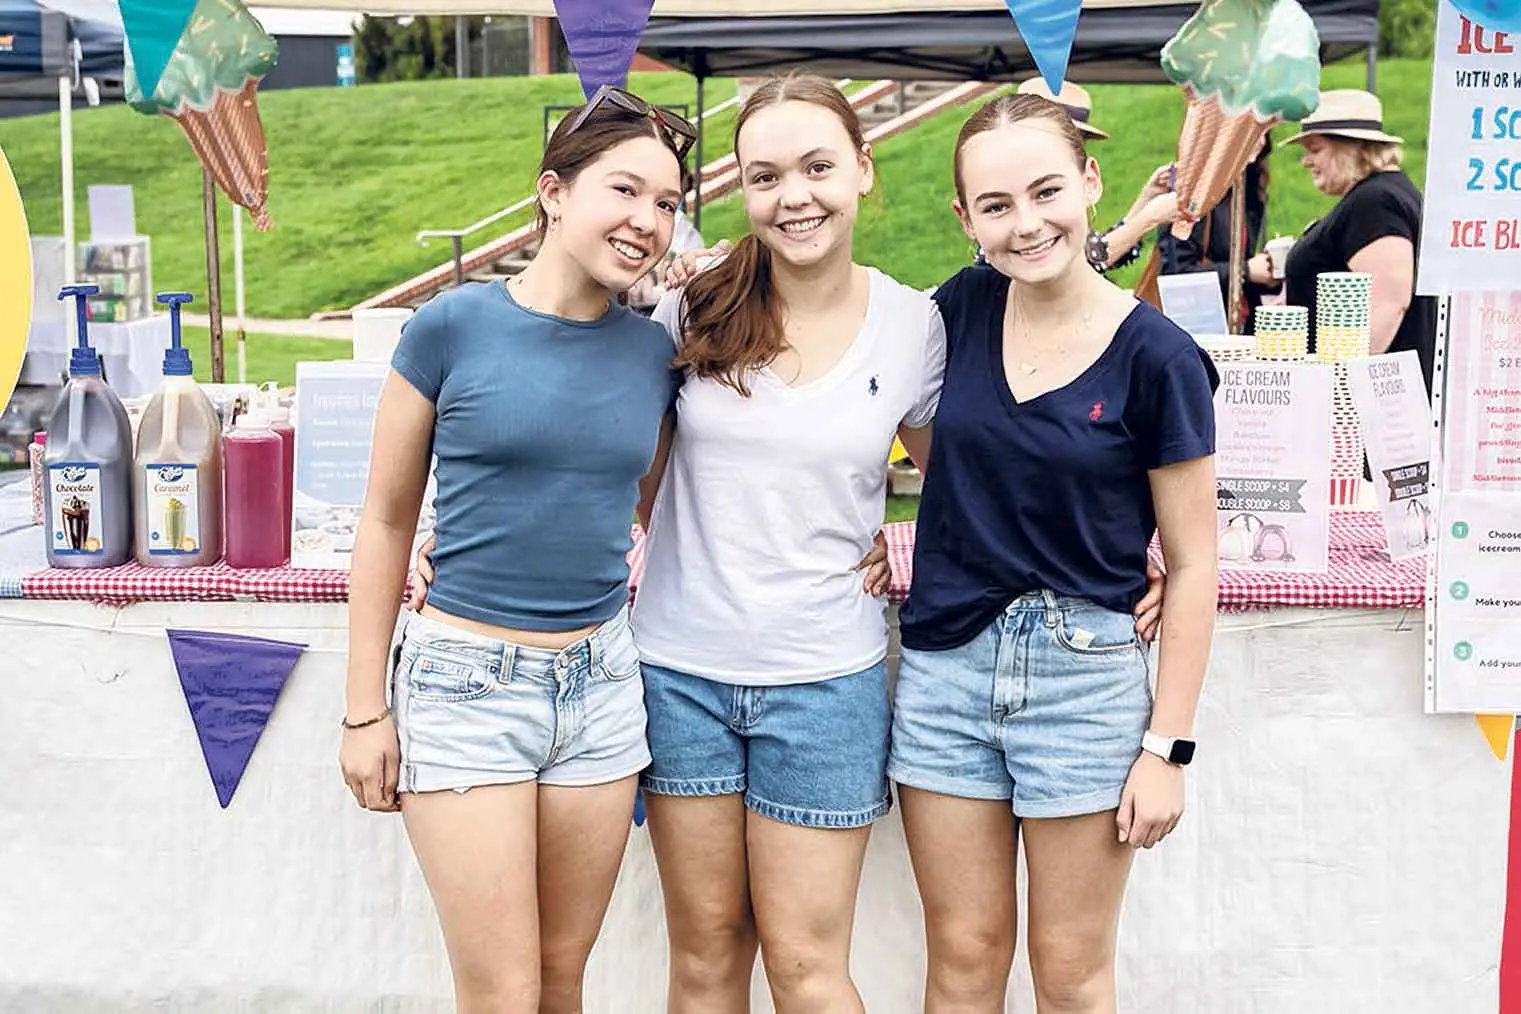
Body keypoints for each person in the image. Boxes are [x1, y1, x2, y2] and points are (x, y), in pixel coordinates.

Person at [338, 86, 695, 1013]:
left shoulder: (652, 354)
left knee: (561, 980)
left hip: (602, 689)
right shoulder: (449, 327)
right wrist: (362, 711)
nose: (647, 221)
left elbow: (650, 505)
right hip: (465, 686)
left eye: (666, 203)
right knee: (499, 990)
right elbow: (384, 520)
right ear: (551, 192)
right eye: (625, 191)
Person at [889, 91, 1218, 1012]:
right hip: (946, 673)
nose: (1025, 224)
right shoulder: (955, 311)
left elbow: (1194, 562)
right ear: (964, 219)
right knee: (960, 959)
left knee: (1070, 973)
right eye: (995, 206)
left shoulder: (1159, 358)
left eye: (1045, 193)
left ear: (1090, 181)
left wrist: (1168, 749)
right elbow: (929, 446)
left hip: (1083, 689)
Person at [1249, 89, 1436, 393]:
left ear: (1352, 148)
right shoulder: (1383, 195)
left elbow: (1388, 305)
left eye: (1315, 149)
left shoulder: (1374, 202)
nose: (1306, 161)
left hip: (1367, 404)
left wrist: (1342, 393)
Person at [1006, 78, 1181, 273]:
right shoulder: (1021, 185)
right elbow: (1085, 263)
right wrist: (1149, 218)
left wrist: (1147, 198)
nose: (1078, 148)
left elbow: (1094, 249)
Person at [1156, 132, 1273, 331]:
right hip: (1198, 332)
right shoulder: (1194, 195)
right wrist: (1246, 271)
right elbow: (1177, 276)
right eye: (1252, 129)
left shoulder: (1249, 189)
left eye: (1264, 132)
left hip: (1240, 329)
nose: (1260, 140)